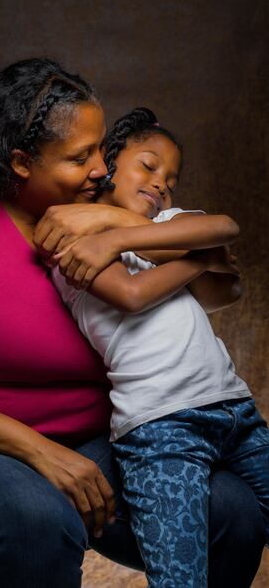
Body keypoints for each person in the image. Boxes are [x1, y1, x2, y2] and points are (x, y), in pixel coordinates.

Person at [0, 60, 265, 588]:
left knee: (232, 512)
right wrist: (39, 451)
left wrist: (120, 224)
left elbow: (221, 269)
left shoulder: (96, 213)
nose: (103, 167)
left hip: (93, 442)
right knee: (34, 520)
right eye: (81, 156)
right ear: (22, 161)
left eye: (101, 148)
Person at [51, 107, 269, 587]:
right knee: (180, 577)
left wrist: (131, 237)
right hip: (161, 430)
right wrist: (201, 260)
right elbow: (132, 294)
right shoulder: (76, 243)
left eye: (171, 178)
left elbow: (226, 247)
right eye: (148, 166)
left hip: (235, 411)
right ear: (107, 162)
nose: (161, 183)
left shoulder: (167, 224)